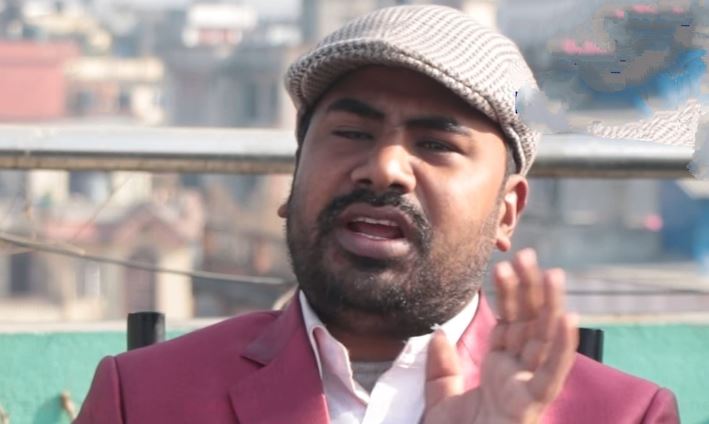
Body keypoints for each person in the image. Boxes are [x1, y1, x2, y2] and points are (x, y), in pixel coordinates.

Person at [75, 5, 679, 424]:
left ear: (506, 212)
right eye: (351, 132)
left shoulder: (625, 415)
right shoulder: (143, 398)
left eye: (436, 144)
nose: (385, 167)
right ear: (293, 179)